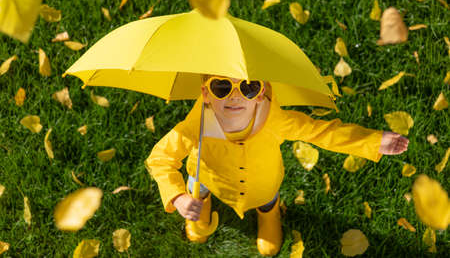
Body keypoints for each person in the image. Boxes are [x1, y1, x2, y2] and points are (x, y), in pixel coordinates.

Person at [145, 75, 409, 256]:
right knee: (197, 186)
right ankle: (199, 207)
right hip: (208, 176)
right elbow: (161, 158)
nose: (235, 96)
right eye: (222, 87)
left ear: (261, 94)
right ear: (205, 94)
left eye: (248, 87)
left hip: (262, 182)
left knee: (266, 197)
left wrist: (372, 141)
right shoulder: (197, 123)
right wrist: (178, 197)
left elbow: (320, 132)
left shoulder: (275, 120)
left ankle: (268, 214)